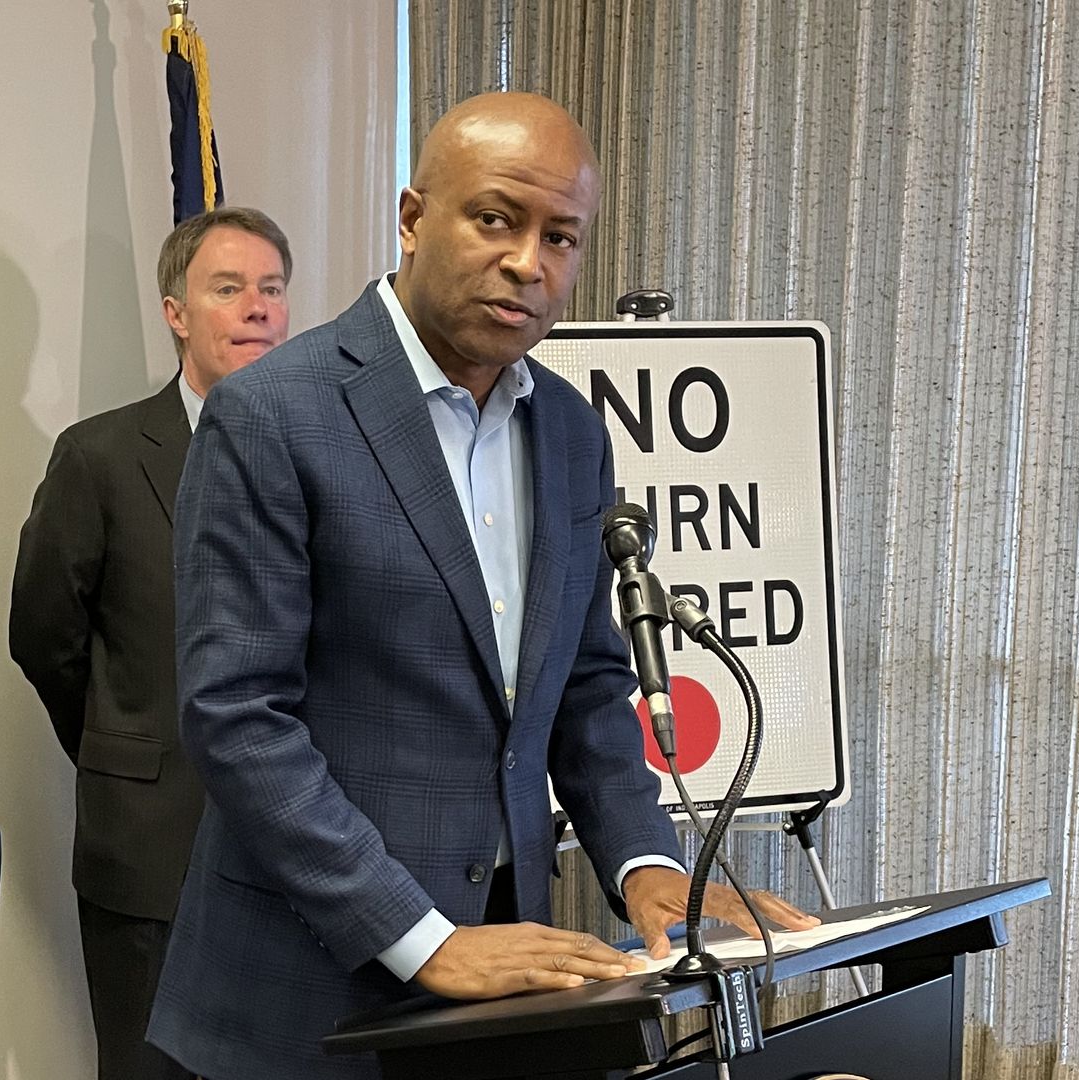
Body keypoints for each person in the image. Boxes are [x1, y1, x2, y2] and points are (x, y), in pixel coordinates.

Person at [146, 93, 819, 1079]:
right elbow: (239, 717)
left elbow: (586, 683)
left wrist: (647, 867)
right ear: (414, 219)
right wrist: (419, 936)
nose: (527, 263)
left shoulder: (572, 430)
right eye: (496, 219)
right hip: (306, 993)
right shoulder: (272, 415)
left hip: (511, 977)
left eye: (561, 237)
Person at [10, 207, 292, 1080]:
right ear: (175, 312)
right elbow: (45, 636)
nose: (257, 307)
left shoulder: (325, 452)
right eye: (228, 288)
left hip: (299, 854)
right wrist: (125, 747)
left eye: (272, 288)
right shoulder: (99, 457)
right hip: (150, 849)